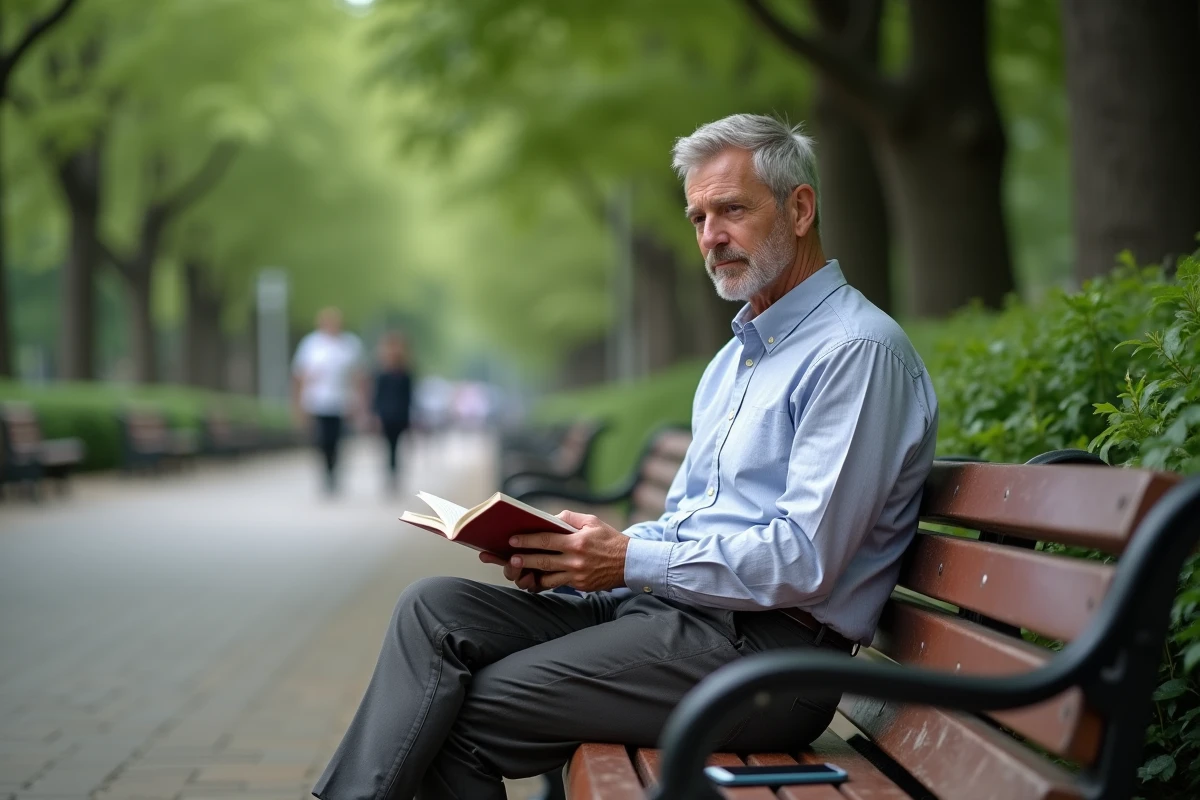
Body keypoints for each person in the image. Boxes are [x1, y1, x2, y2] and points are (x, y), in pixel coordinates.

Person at [313, 114, 939, 800]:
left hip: (767, 663)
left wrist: (629, 560)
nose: (711, 237)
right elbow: (694, 520)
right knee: (431, 609)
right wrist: (577, 552)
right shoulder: (736, 359)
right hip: (677, 618)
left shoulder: (855, 354)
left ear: (799, 207)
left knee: (462, 712)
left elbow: (805, 559)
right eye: (698, 216)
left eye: (731, 210)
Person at [291, 307, 365, 495]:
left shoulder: (349, 345)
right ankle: (326, 471)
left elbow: (358, 375)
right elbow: (299, 375)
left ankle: (334, 471)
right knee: (322, 440)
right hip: (317, 402)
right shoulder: (311, 344)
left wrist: (359, 402)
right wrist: (298, 403)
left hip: (341, 402)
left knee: (338, 440)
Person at [372, 331, 414, 492]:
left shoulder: (406, 373)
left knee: (397, 446)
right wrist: (375, 415)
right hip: (385, 415)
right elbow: (377, 395)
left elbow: (409, 397)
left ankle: (394, 474)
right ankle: (390, 473)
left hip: (401, 415)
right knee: (388, 446)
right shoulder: (381, 372)